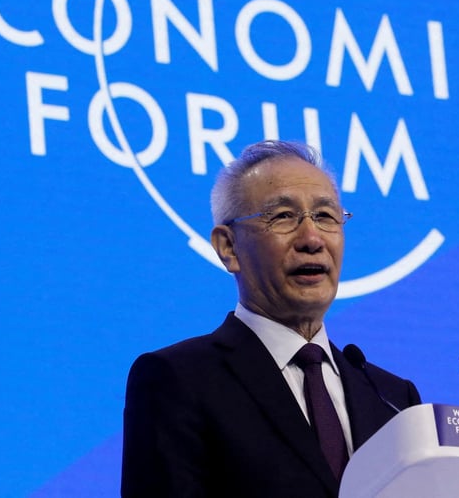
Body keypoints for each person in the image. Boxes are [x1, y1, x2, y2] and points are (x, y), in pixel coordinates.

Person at [121, 140, 421, 497]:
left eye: (325, 216)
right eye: (282, 217)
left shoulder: (393, 398)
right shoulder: (179, 378)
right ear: (228, 248)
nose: (312, 238)